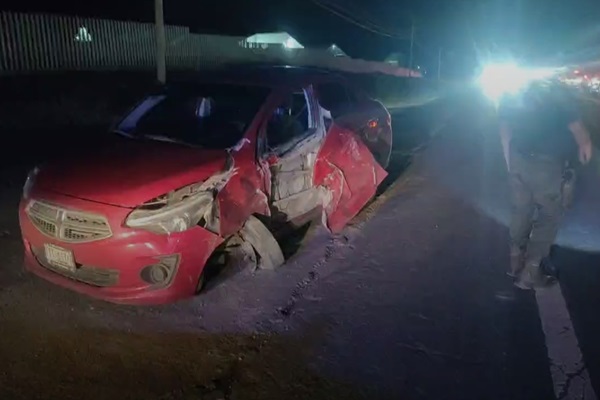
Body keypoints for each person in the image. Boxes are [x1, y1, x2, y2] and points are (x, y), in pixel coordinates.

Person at [498, 80, 593, 289]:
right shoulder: (558, 93)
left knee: (520, 211)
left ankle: (515, 262)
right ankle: (531, 273)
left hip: (518, 159)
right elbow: (579, 132)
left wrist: (510, 163)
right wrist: (584, 150)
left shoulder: (513, 91)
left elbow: (505, 130)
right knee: (549, 216)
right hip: (547, 166)